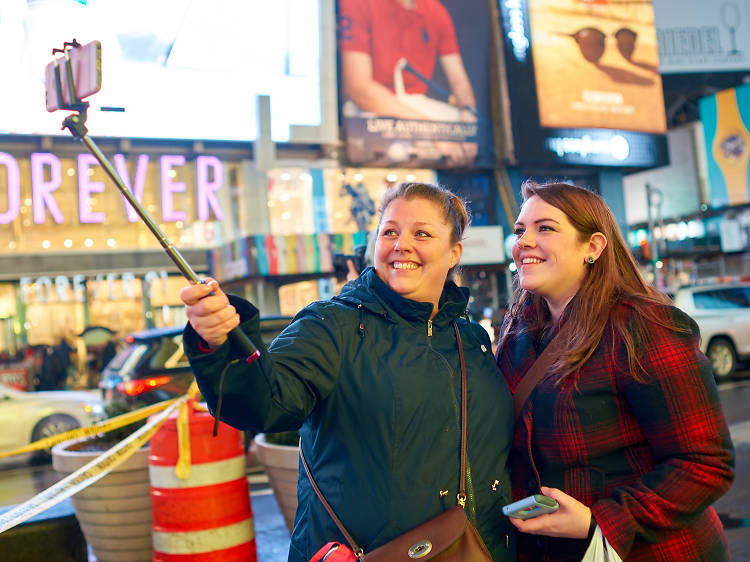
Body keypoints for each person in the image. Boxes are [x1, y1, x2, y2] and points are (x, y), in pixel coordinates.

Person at [180, 182, 515, 561]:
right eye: (389, 231)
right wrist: (221, 343)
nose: (401, 244)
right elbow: (265, 403)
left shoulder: (470, 338)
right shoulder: (330, 325)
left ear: (454, 252)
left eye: (421, 233)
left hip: (475, 551)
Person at [495, 180, 735, 561]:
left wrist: (601, 522)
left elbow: (706, 463)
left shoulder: (643, 327)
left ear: (592, 246)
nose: (523, 240)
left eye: (545, 228)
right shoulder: (519, 330)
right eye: (520, 230)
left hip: (650, 550)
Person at [338, 0, 478, 167]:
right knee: (395, 148)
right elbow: (359, 88)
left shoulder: (435, 11)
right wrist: (429, 131)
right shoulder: (357, 3)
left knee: (461, 127)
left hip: (417, 106)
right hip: (370, 108)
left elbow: (460, 83)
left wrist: (470, 129)